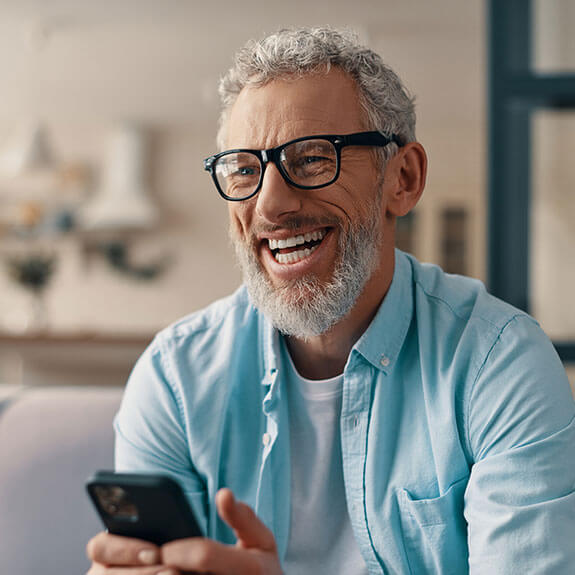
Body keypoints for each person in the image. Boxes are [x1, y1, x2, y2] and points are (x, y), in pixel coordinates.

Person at [87, 27, 575, 575]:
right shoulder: (174, 378)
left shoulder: (499, 364)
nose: (271, 205)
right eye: (245, 170)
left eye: (313, 158)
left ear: (404, 179)